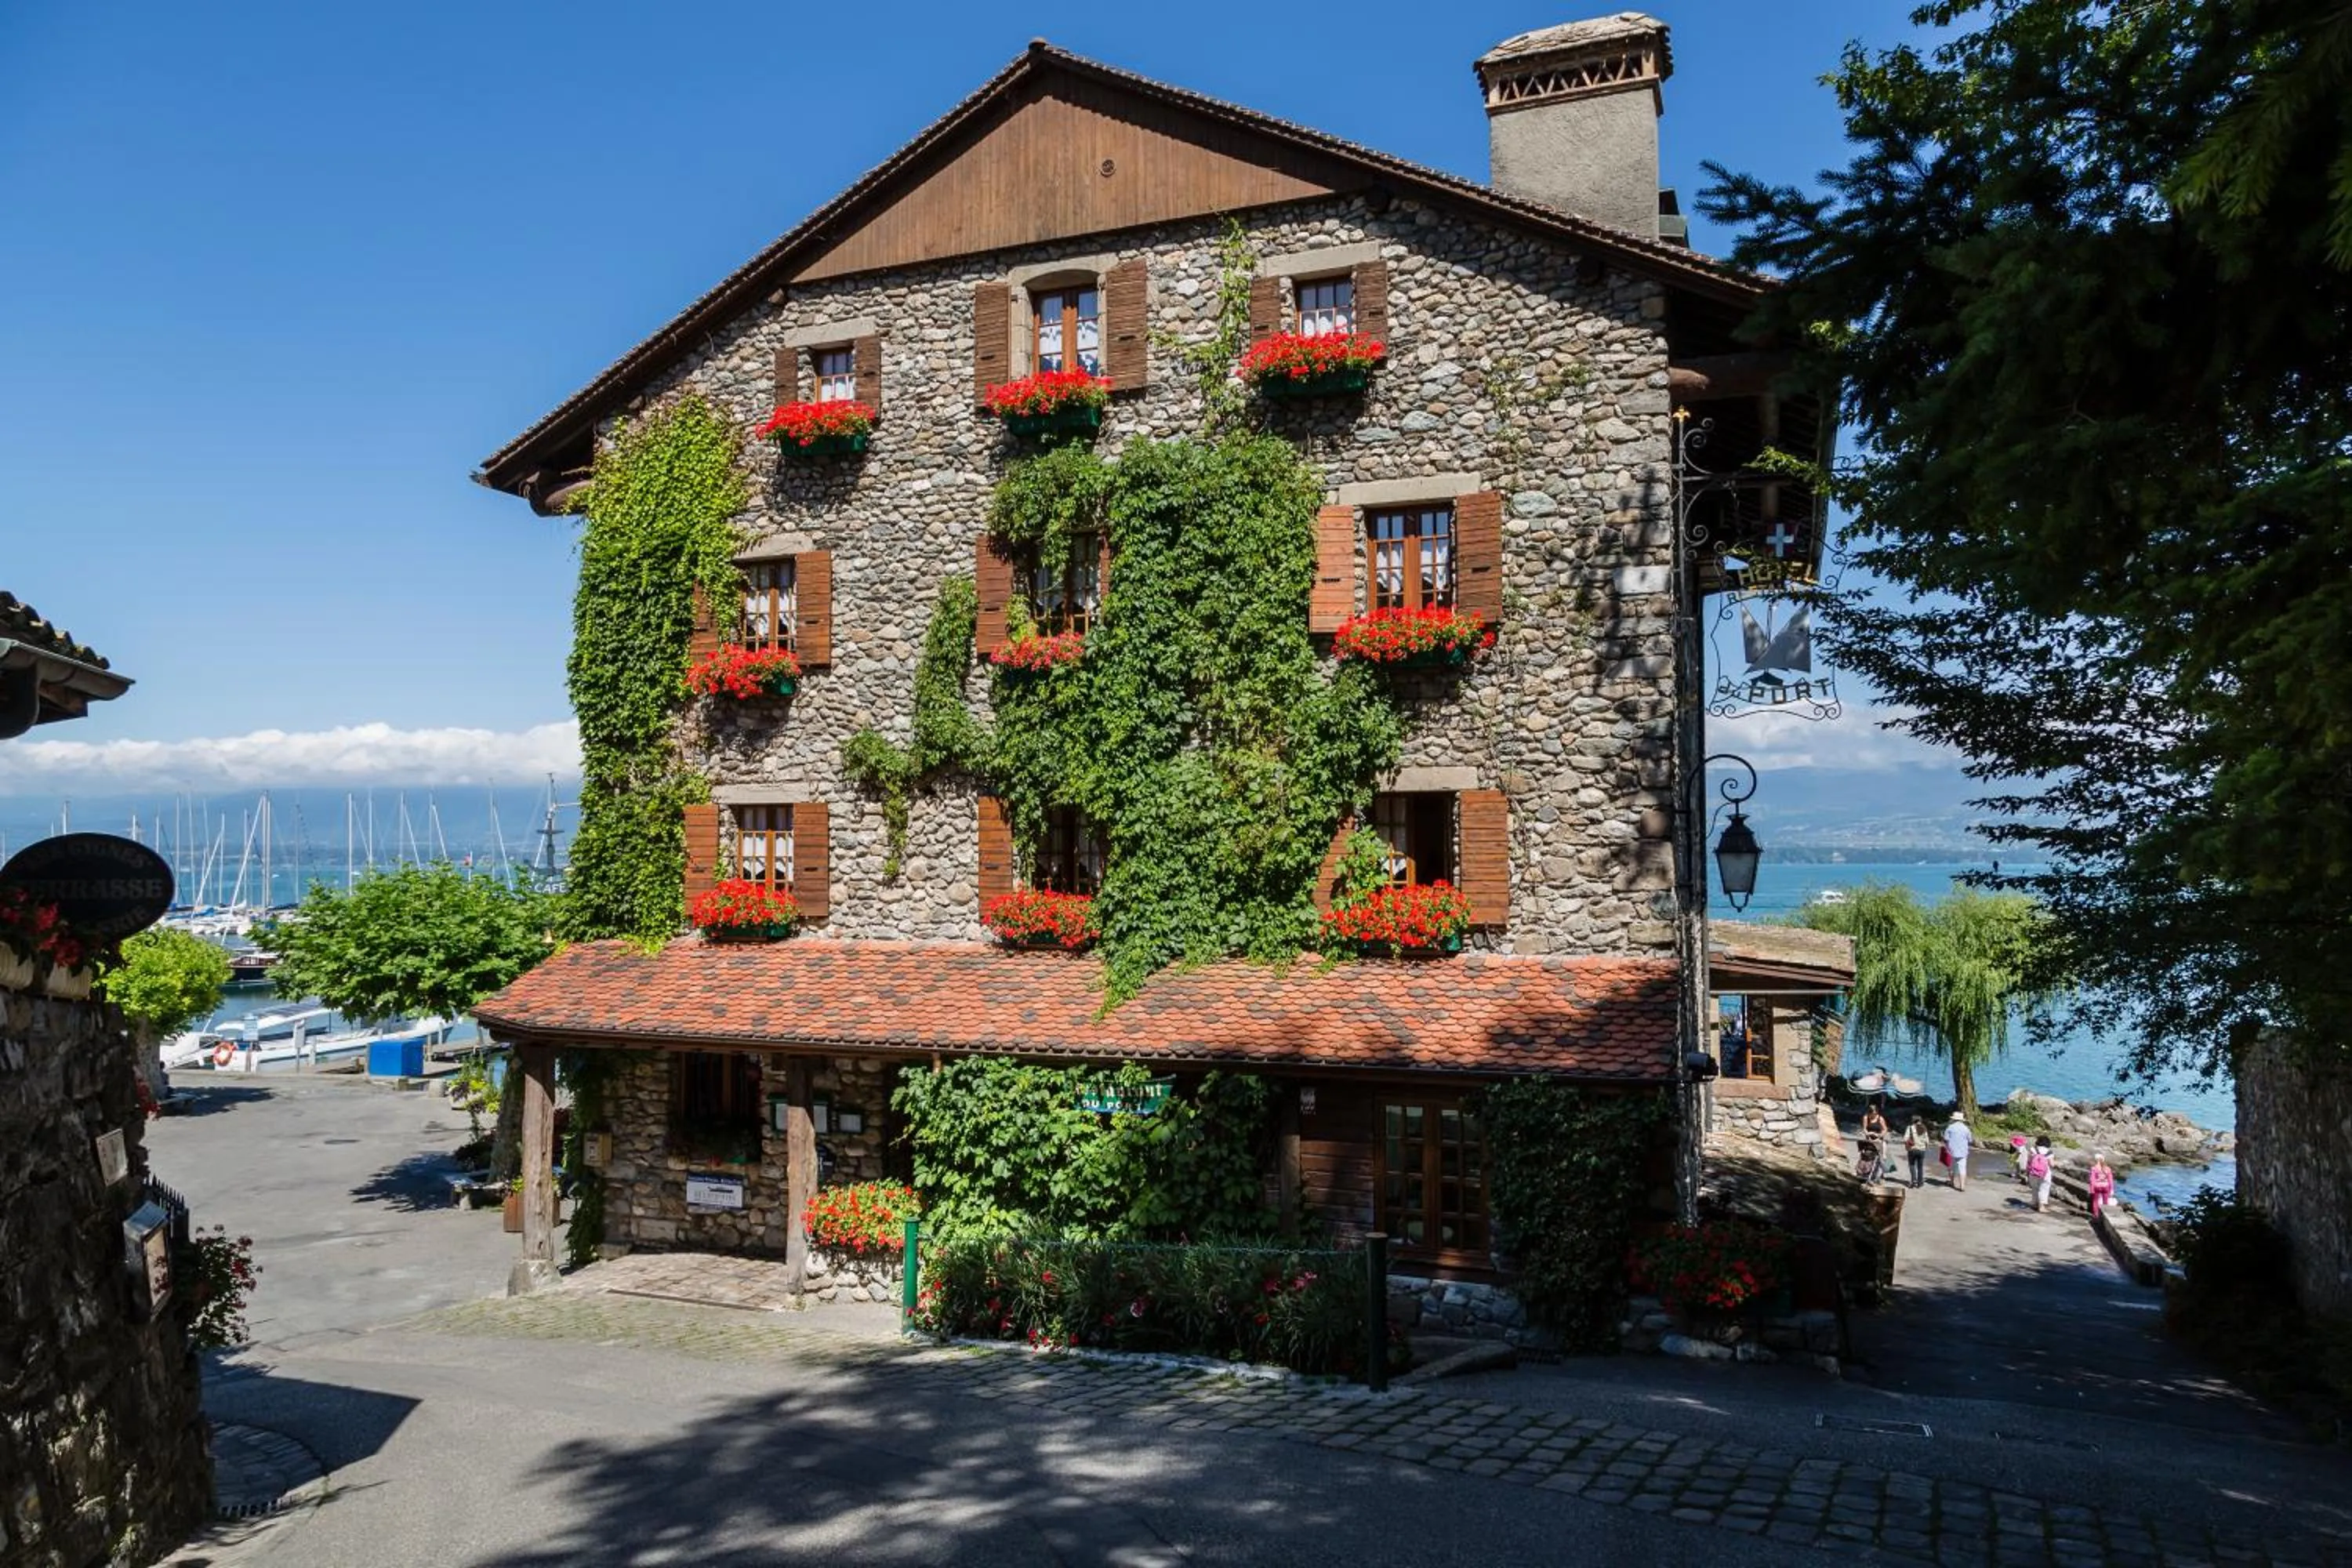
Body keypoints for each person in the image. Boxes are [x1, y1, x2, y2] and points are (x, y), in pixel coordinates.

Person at [1944, 1111, 1973, 1191]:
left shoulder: (1950, 1127)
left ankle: (1952, 1182)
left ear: (1954, 1119)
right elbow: (1970, 1140)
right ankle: (1962, 1186)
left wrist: (1947, 1147)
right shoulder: (1966, 1128)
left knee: (1951, 1168)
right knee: (1962, 1169)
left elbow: (1946, 1139)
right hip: (1963, 1151)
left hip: (1951, 1151)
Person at [2028, 1134, 2056, 1212]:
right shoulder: (2049, 1152)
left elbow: (2029, 1160)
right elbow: (2052, 1164)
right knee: (2043, 1189)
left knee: (2035, 1188)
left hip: (2033, 1172)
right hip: (2045, 1174)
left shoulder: (2033, 1149)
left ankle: (2034, 1203)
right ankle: (2041, 1207)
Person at [1903, 1116, 1930, 1189]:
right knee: (1920, 1167)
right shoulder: (1924, 1128)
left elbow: (1905, 1138)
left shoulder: (1910, 1128)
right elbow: (1927, 1140)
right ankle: (1920, 1182)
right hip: (1922, 1150)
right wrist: (1926, 1147)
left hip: (1912, 1149)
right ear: (1920, 1121)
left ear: (1913, 1121)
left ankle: (1914, 1180)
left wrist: (1907, 1143)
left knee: (1912, 1165)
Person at [2087, 1152, 2117, 1216]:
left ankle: (2096, 1216)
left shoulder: (2094, 1169)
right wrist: (2112, 1190)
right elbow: (2110, 1180)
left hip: (2097, 1187)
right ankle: (2105, 1215)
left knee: (2095, 1202)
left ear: (2096, 1160)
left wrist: (2091, 1189)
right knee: (2105, 1202)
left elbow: (2092, 1180)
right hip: (2106, 1187)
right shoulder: (2108, 1169)